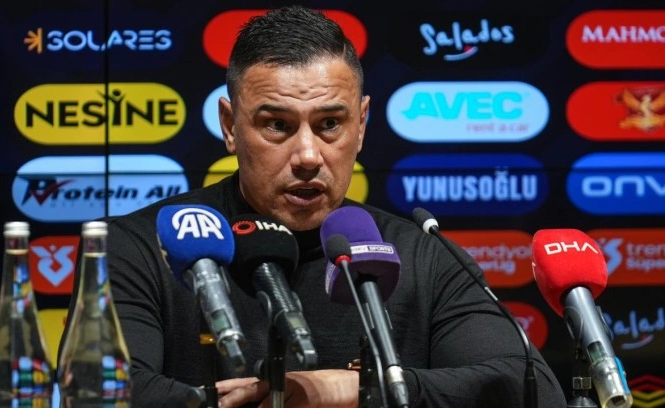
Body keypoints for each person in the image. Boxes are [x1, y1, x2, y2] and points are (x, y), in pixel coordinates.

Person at [59, 5, 567, 407]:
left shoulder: (423, 255)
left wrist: (353, 390)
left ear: (361, 125)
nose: (307, 155)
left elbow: (530, 388)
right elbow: (100, 391)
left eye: (329, 124)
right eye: (277, 125)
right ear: (230, 126)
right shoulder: (135, 247)